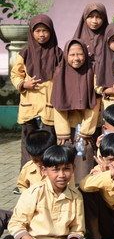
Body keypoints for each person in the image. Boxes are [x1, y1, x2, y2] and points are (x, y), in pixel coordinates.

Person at [1, 145, 114, 239]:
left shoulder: (76, 196)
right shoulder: (33, 192)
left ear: (73, 168)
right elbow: (16, 224)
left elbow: (77, 229)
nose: (61, 175)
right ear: (44, 171)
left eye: (66, 169)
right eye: (55, 169)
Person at [11, 14, 63, 169]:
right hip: (30, 104)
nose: (41, 34)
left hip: (49, 104)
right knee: (28, 142)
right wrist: (23, 84)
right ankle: (26, 177)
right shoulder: (25, 53)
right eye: (38, 30)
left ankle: (49, 173)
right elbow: (15, 74)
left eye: (45, 30)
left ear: (51, 31)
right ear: (31, 32)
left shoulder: (57, 53)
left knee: (50, 140)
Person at [52, 39, 101, 181]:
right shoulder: (60, 72)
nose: (76, 58)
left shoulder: (90, 72)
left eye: (80, 54)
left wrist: (86, 131)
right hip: (67, 129)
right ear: (66, 55)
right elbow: (58, 104)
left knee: (86, 159)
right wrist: (62, 132)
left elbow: (94, 104)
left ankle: (85, 192)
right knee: (65, 161)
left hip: (86, 129)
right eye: (72, 55)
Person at [16, 129, 57, 193]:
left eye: (42, 160)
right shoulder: (27, 168)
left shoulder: (60, 169)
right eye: (35, 160)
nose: (39, 163)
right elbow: (21, 185)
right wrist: (27, 195)